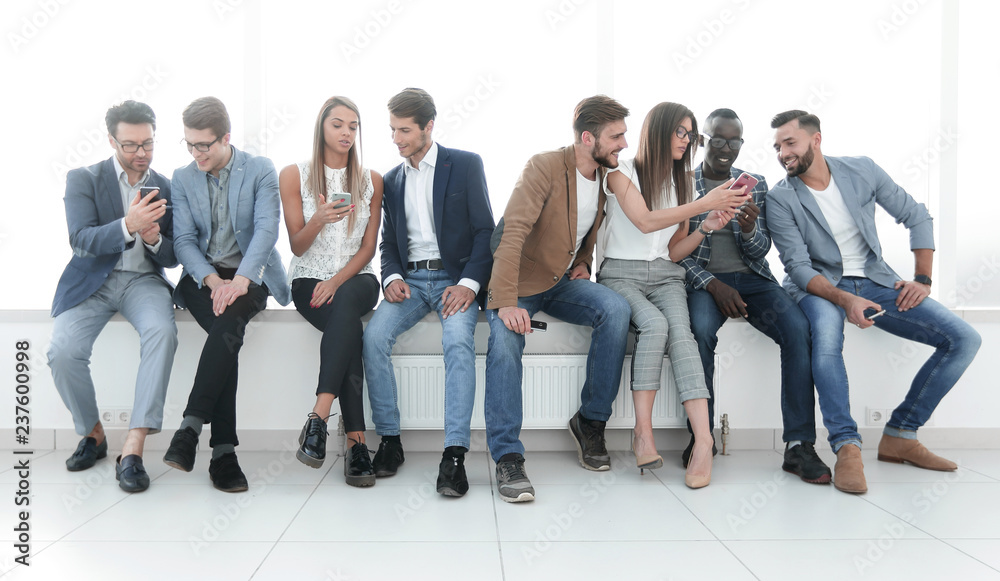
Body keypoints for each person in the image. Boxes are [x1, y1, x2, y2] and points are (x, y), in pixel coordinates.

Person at [767, 110, 981, 494]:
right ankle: (847, 446)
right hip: (819, 287)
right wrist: (844, 299)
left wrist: (922, 279)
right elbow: (798, 267)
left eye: (790, 143)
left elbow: (917, 216)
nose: (783, 153)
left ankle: (901, 433)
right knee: (828, 340)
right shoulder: (781, 198)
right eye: (778, 146)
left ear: (816, 140)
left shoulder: (862, 170)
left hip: (877, 280)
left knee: (964, 339)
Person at [484, 95, 633, 503]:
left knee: (616, 309)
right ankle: (507, 455)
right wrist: (506, 302)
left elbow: (583, 230)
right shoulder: (544, 166)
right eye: (616, 136)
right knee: (503, 341)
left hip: (560, 281)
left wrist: (583, 261)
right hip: (519, 283)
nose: (623, 143)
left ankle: (590, 421)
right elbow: (512, 232)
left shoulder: (605, 178)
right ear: (588, 138)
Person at [678, 108, 831, 484]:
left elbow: (761, 251)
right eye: (717, 138)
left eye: (734, 140)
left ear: (741, 144)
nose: (726, 147)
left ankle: (798, 444)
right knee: (699, 332)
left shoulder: (756, 184)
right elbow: (673, 251)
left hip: (754, 280)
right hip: (704, 282)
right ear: (703, 140)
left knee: (798, 331)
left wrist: (748, 230)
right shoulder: (681, 183)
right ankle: (702, 437)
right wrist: (713, 285)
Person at [598, 102, 745, 489]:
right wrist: (704, 204)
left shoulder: (684, 183)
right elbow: (645, 222)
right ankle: (642, 433)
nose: (687, 141)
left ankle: (703, 440)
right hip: (620, 273)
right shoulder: (620, 171)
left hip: (666, 276)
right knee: (655, 325)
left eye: (690, 134)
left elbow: (675, 250)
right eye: (681, 132)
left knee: (685, 335)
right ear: (659, 131)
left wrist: (706, 226)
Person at [362, 88, 494, 497]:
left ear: (428, 127)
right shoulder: (393, 180)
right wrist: (391, 277)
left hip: (455, 280)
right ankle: (390, 441)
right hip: (412, 283)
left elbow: (485, 232)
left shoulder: (466, 165)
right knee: (373, 338)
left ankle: (453, 455)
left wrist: (470, 285)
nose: (397, 139)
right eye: (392, 131)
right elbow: (388, 244)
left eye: (404, 131)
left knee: (457, 342)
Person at [47, 100, 177, 493]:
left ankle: (133, 447)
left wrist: (154, 239)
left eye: (148, 144)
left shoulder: (167, 186)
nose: (141, 154)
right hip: (94, 282)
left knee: (163, 333)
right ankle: (93, 434)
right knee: (63, 349)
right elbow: (81, 240)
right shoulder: (83, 178)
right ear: (111, 141)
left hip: (144, 282)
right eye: (131, 145)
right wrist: (127, 225)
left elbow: (175, 254)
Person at [164, 96, 291, 492]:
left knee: (229, 320)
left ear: (226, 138)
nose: (197, 153)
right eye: (190, 144)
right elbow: (183, 241)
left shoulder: (260, 170)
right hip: (202, 279)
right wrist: (213, 280)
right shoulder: (183, 177)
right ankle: (222, 454)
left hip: (249, 276)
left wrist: (241, 280)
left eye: (204, 145)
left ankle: (190, 429)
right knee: (227, 335)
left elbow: (267, 230)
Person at [280, 96, 383, 487]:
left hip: (357, 278)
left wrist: (337, 280)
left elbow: (369, 248)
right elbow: (297, 247)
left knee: (345, 305)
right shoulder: (294, 174)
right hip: (307, 278)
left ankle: (319, 416)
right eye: (338, 124)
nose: (346, 133)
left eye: (353, 126)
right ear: (322, 127)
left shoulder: (372, 180)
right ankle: (357, 442)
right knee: (349, 329)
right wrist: (320, 219)